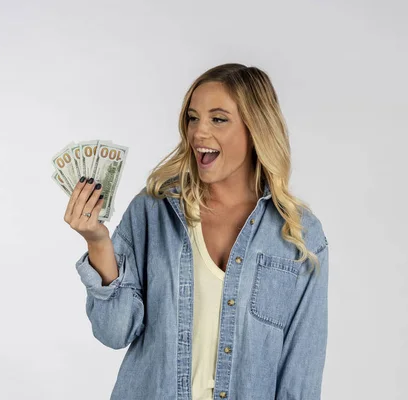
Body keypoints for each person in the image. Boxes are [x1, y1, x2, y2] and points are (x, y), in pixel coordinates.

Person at [64, 63, 329, 399]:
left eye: (218, 119)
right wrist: (97, 241)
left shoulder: (300, 235)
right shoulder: (153, 211)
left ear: (255, 128)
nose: (199, 132)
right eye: (193, 118)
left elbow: (300, 377)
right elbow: (115, 332)